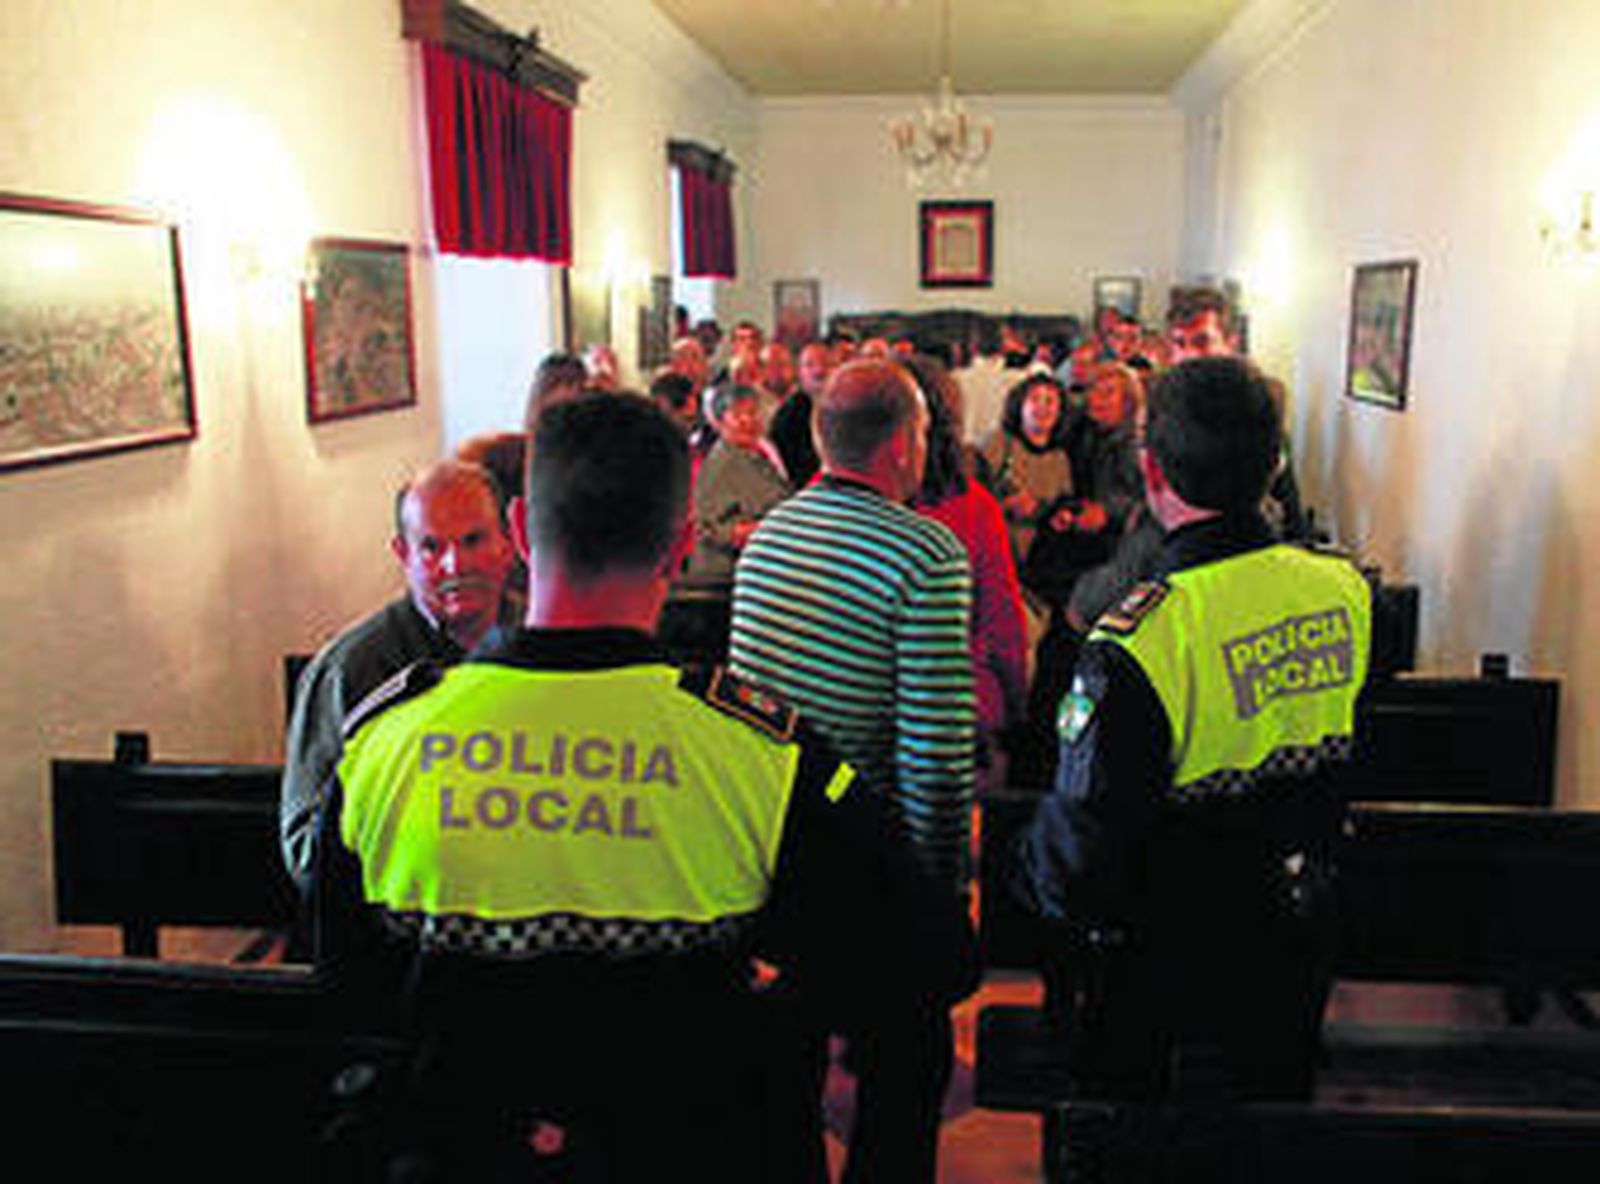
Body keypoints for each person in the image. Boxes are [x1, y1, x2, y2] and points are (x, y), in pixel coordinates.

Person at [311, 394, 975, 1182]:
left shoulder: (384, 743)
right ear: (681, 546)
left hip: (460, 1151)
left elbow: (346, 992)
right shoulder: (758, 753)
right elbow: (926, 956)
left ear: (521, 533)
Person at [1012, 355, 1372, 1102]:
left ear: (1151, 474)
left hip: (1167, 940)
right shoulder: (1342, 588)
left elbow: (1086, 834)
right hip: (1298, 918)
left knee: (1136, 1130)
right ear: (1274, 465)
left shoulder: (1140, 636)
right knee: (1270, 1113)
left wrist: (1029, 872)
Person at [730, 358, 975, 1184]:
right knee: (909, 1079)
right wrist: (941, 894)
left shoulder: (767, 538)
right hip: (871, 864)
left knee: (784, 1078)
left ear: (814, 437)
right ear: (907, 444)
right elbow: (936, 753)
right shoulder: (925, 552)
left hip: (776, 854)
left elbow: (744, 712)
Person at [280, 460, 514, 891]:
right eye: (431, 547)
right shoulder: (351, 669)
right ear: (403, 555)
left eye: (473, 540)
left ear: (509, 542)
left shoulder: (540, 642)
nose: (454, 565)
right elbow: (305, 852)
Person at [905, 353, 1028, 797]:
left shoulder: (835, 507)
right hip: (960, 713)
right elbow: (1002, 624)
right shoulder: (974, 507)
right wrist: (1018, 709)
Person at [684, 383, 792, 586]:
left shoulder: (756, 456)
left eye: (752, 413)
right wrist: (756, 529)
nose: (748, 421)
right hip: (726, 578)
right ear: (719, 421)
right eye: (738, 415)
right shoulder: (721, 463)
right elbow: (706, 528)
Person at [768, 340, 829, 487]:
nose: (819, 371)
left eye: (826, 363)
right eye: (810, 365)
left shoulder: (850, 408)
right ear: (799, 372)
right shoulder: (788, 417)